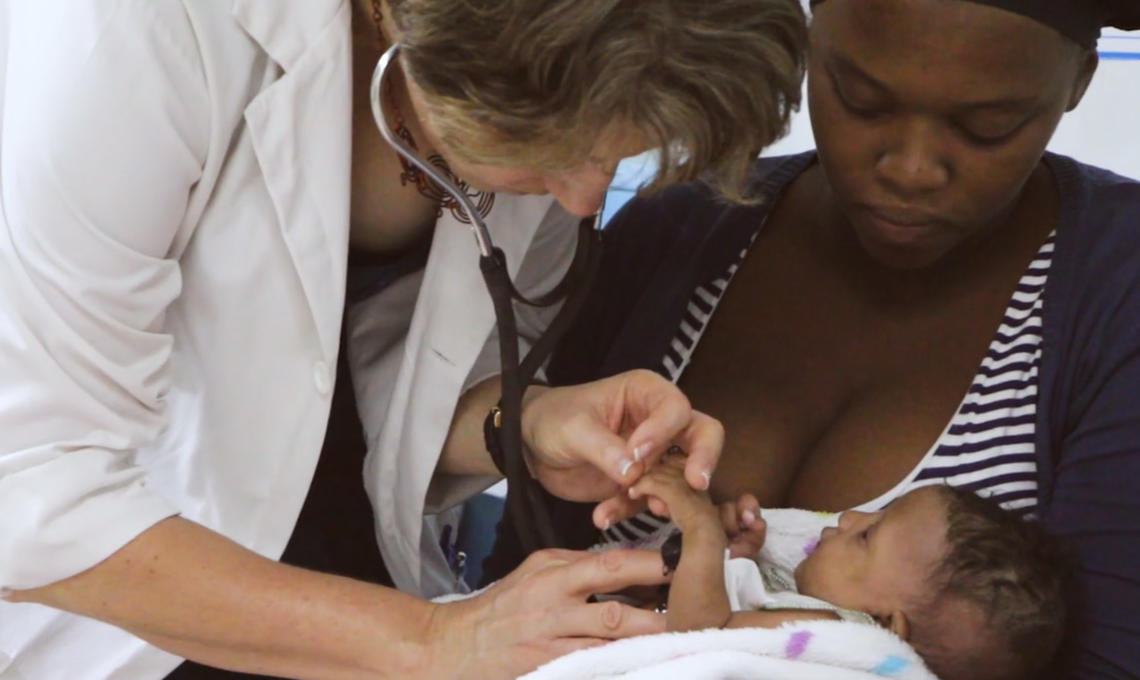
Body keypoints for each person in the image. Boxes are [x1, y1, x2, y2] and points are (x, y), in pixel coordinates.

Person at [0, 1, 809, 679]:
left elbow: (389, 395)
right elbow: (32, 484)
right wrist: (432, 642)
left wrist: (524, 427)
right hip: (109, 606)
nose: (582, 198)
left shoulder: (547, 98)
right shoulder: (140, 29)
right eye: (564, 150)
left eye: (621, 155)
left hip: (340, 589)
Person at [484, 1, 1140, 678]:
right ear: (806, 46)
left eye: (988, 127)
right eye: (861, 101)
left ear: (1078, 84)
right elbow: (512, 590)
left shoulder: (1118, 294)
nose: (912, 169)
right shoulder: (670, 232)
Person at [628, 458, 1068, 680]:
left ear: (883, 623)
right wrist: (737, 561)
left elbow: (703, 632)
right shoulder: (832, 635)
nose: (846, 518)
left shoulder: (839, 632)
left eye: (866, 536)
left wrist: (701, 530)